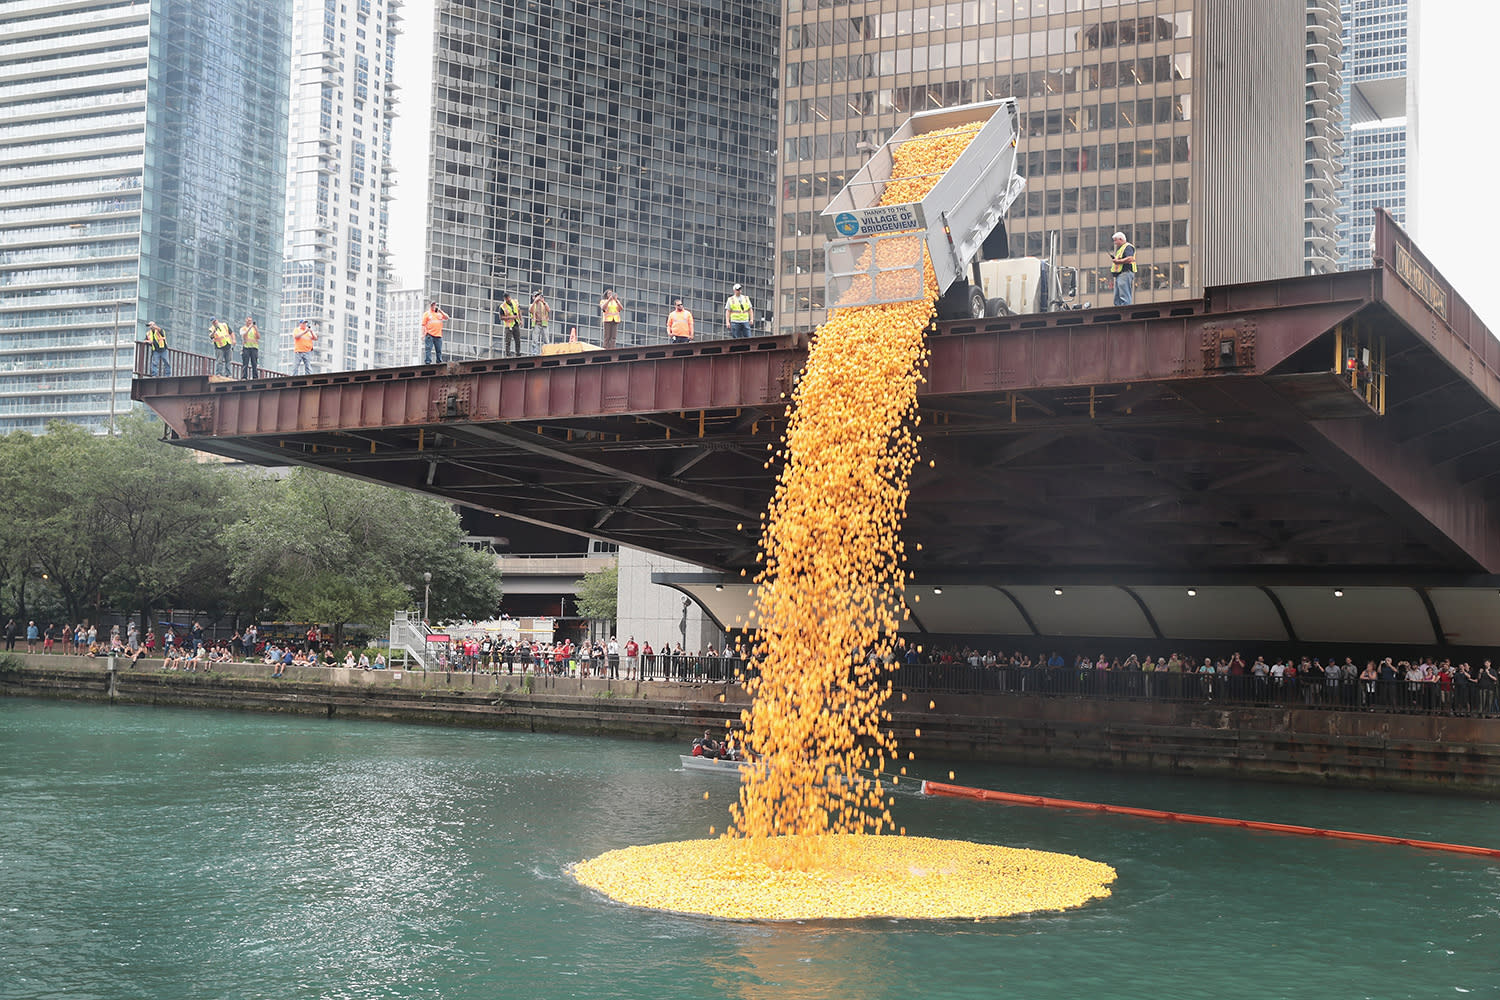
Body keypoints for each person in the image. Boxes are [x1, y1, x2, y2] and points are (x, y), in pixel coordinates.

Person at [1109, 231, 1137, 306]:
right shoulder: (1121, 249)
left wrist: (1118, 261)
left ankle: (1125, 310)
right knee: (1118, 295)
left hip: (1125, 273)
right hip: (1120, 274)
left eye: (1115, 240)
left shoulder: (1128, 247)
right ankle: (1119, 309)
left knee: (1124, 294)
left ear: (1120, 239)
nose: (1115, 243)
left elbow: (1130, 258)